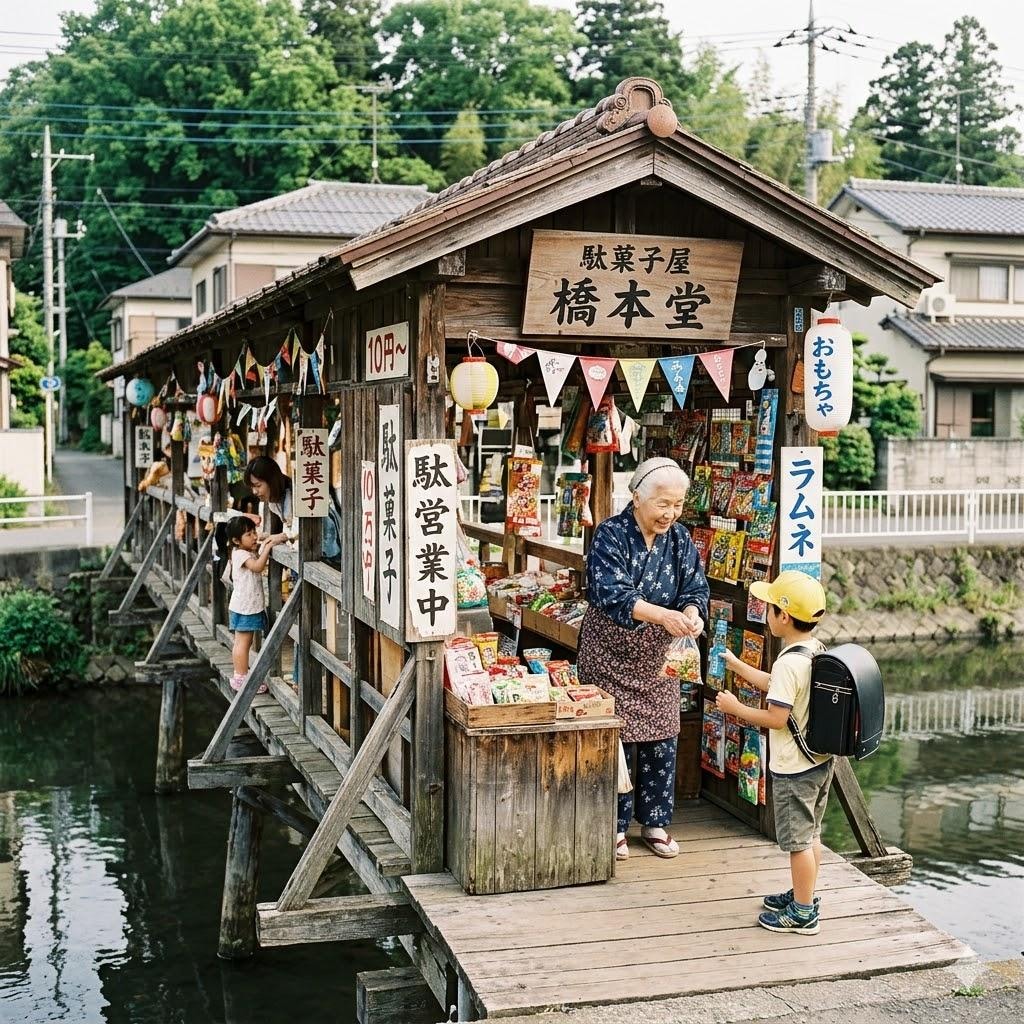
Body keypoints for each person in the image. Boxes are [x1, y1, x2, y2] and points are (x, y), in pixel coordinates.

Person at [577, 457, 709, 861]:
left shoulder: (680, 539)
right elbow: (611, 592)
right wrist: (663, 615)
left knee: (662, 736)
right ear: (636, 498)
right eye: (662, 504)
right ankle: (613, 825)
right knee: (613, 739)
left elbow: (695, 587)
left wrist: (691, 614)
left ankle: (655, 822)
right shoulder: (610, 534)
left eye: (678, 505)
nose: (671, 513)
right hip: (610, 653)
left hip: (659, 657)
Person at [716, 570, 831, 935]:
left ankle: (802, 913)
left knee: (798, 843)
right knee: (811, 835)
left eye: (769, 608)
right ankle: (804, 894)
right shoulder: (812, 650)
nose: (765, 613)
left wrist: (735, 708)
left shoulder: (788, 662)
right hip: (818, 762)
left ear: (783, 616)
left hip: (794, 768)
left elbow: (777, 718)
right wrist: (738, 665)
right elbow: (778, 687)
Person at [226, 515, 286, 693]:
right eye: (249, 534)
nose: (254, 537)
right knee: (243, 643)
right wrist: (267, 547)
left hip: (243, 605)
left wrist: (266, 541)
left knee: (242, 642)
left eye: (254, 532)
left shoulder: (242, 551)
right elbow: (258, 566)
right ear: (236, 540)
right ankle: (241, 677)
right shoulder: (241, 554)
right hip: (245, 607)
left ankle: (240, 675)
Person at [243, 455, 341, 561]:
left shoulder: (297, 493)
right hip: (309, 550)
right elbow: (289, 526)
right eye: (252, 487)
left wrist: (282, 536)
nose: (254, 492)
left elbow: (303, 525)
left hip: (327, 546)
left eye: (258, 485)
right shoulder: (274, 502)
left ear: (272, 481)